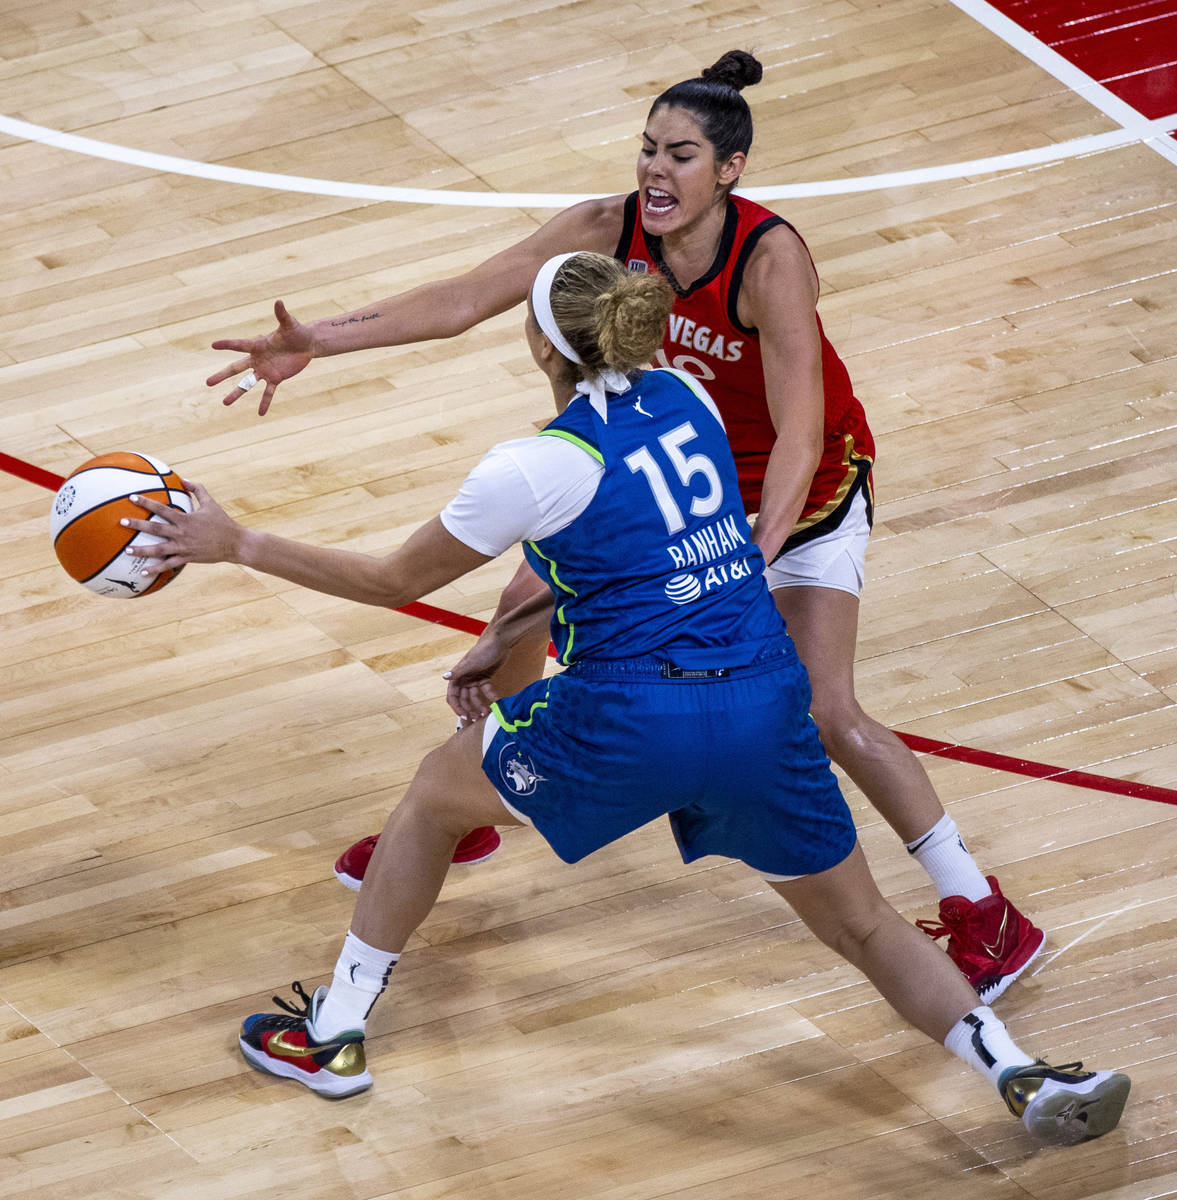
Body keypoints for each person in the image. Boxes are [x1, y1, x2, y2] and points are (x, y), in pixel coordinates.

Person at [138, 252, 1125, 1142]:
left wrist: (241, 544)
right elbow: (650, 556)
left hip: (631, 717)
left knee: (436, 800)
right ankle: (1019, 1073)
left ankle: (336, 1033)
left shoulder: (529, 467)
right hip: (758, 703)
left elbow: (392, 582)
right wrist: (511, 634)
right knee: (864, 924)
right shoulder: (685, 398)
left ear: (538, 343)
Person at [205, 50, 1042, 1002]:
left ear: (728, 170)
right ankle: (486, 796)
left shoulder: (769, 260)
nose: (654, 170)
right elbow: (463, 297)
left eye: (680, 155)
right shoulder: (605, 230)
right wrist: (319, 337)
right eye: (647, 149)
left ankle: (982, 909)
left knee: (820, 708)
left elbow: (803, 427)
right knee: (520, 601)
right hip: (671, 474)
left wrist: (751, 557)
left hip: (796, 497)